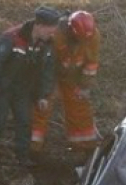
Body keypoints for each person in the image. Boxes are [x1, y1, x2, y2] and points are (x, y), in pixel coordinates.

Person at [0, 6, 59, 169]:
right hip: (2, 89)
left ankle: (22, 157)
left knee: (25, 122)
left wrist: (43, 95)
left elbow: (47, 71)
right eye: (50, 31)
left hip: (23, 90)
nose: (53, 35)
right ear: (39, 26)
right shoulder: (12, 37)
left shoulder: (47, 45)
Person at [31, 10, 101, 158]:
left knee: (79, 105)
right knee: (42, 106)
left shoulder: (93, 36)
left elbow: (91, 63)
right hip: (51, 74)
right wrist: (44, 89)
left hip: (73, 75)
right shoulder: (56, 34)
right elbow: (44, 62)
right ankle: (32, 147)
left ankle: (84, 146)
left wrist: (84, 86)